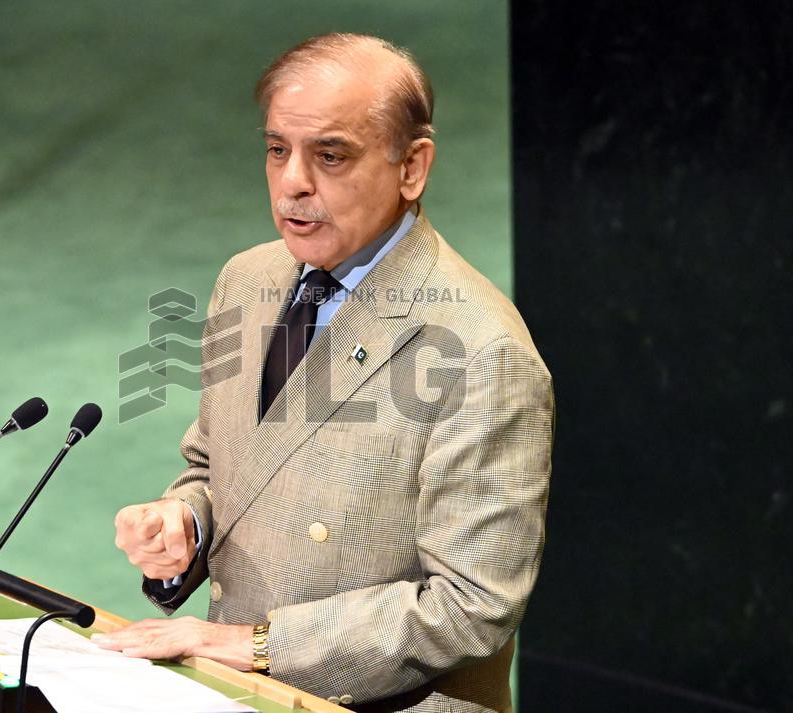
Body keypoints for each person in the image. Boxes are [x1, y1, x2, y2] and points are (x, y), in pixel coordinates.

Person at [94, 33, 554, 713]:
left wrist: (255, 644)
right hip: (235, 693)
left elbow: (470, 605)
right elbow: (218, 467)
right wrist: (184, 523)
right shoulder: (247, 280)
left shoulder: (482, 349)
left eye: (330, 155)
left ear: (412, 167)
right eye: (278, 149)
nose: (292, 182)